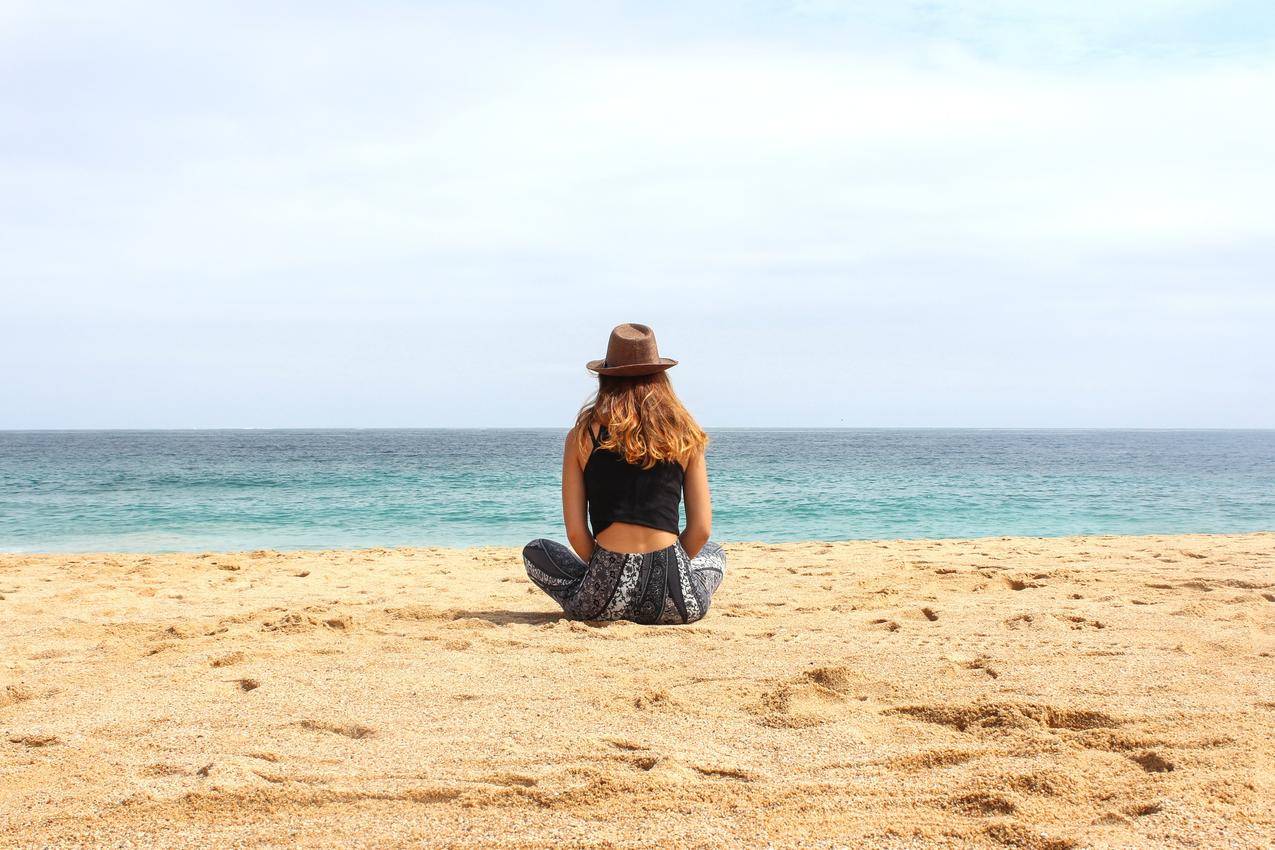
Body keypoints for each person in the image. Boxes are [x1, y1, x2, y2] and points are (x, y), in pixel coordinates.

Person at [522, 323, 727, 624]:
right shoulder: (685, 435)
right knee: (715, 553)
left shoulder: (581, 437)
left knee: (535, 551)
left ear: (606, 378)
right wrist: (667, 567)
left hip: (602, 600)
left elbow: (577, 534)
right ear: (660, 378)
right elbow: (701, 531)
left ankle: (602, 584)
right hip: (676, 602)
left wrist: (611, 569)